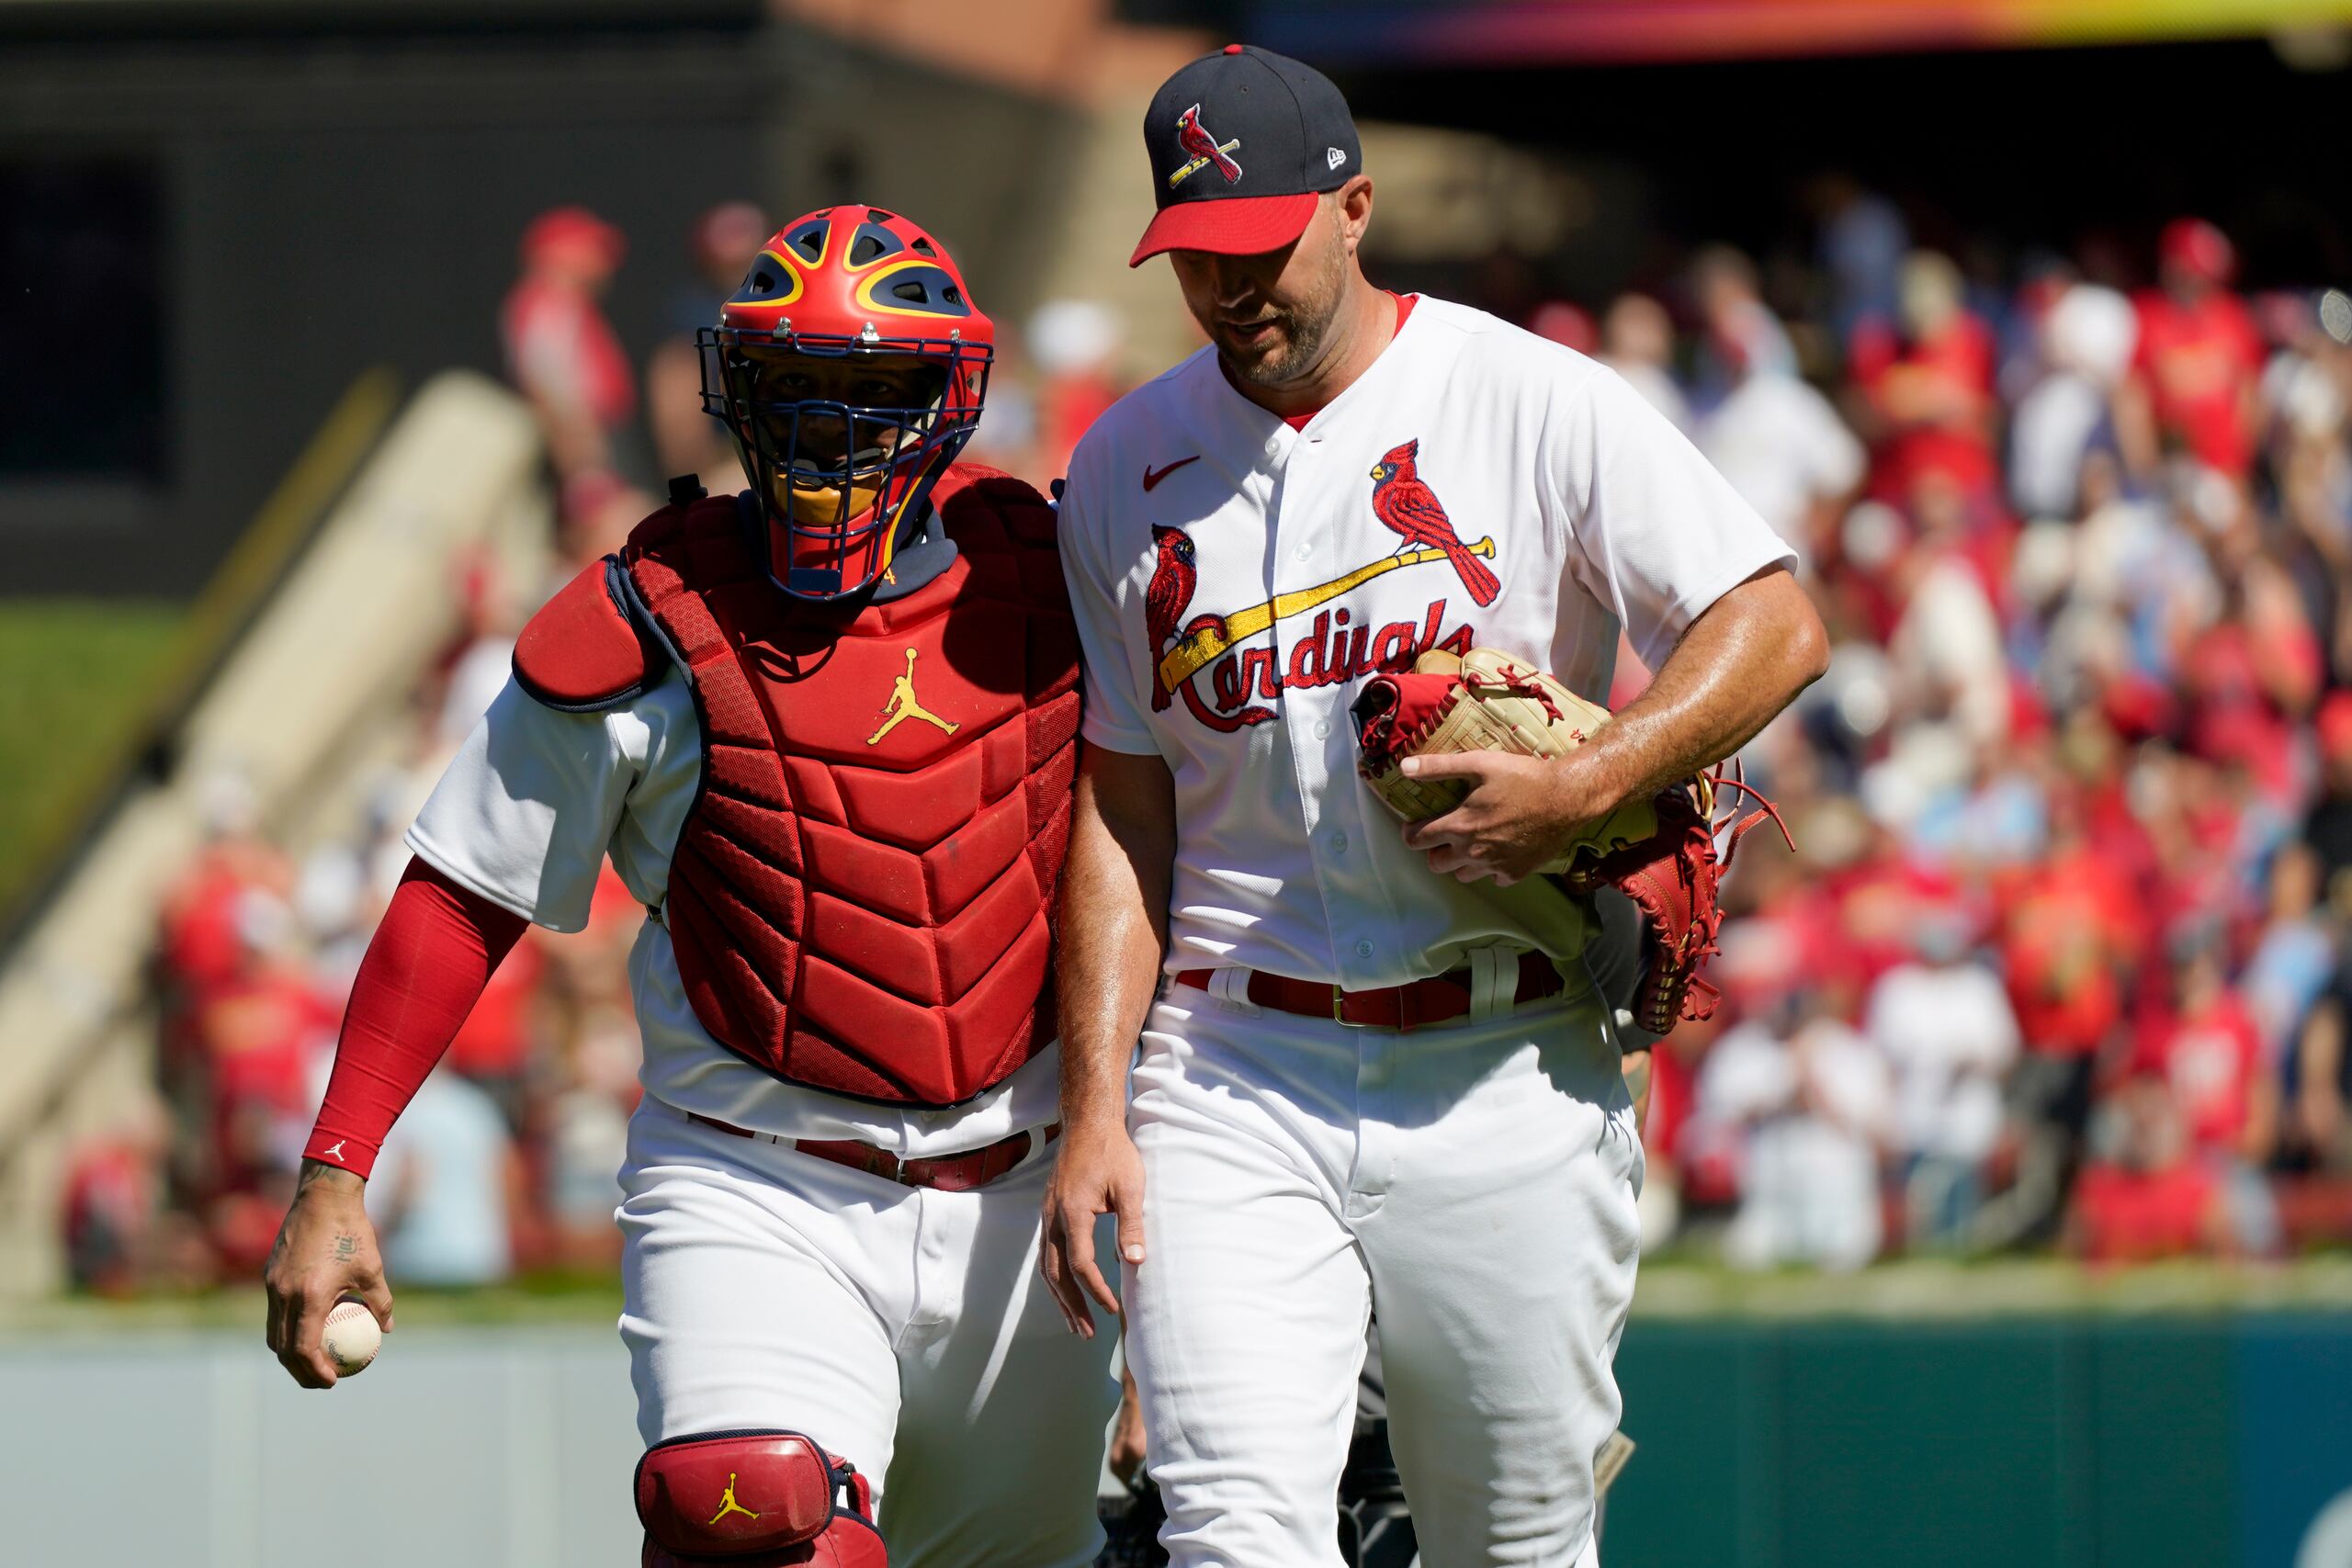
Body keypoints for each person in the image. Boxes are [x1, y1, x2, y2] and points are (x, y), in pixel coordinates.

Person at [1039, 43, 1826, 1567]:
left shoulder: (1521, 395)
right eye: (1196, 260)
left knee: (1513, 1546)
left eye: (1258, 249)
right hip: (1232, 1066)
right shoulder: (1125, 463)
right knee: (1230, 1534)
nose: (1231, 293)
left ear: (1355, 208)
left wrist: (1594, 780)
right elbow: (1124, 810)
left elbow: (1775, 619)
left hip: (1508, 1051)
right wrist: (1095, 1106)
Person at [265, 205, 1118, 1568]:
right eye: (793, 388)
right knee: (762, 1524)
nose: (830, 428)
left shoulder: (1066, 573)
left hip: (1040, 1198)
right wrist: (334, 1171)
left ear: (953, 399)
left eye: (875, 390)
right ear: (735, 388)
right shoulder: (646, 616)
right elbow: (463, 890)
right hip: (759, 1185)